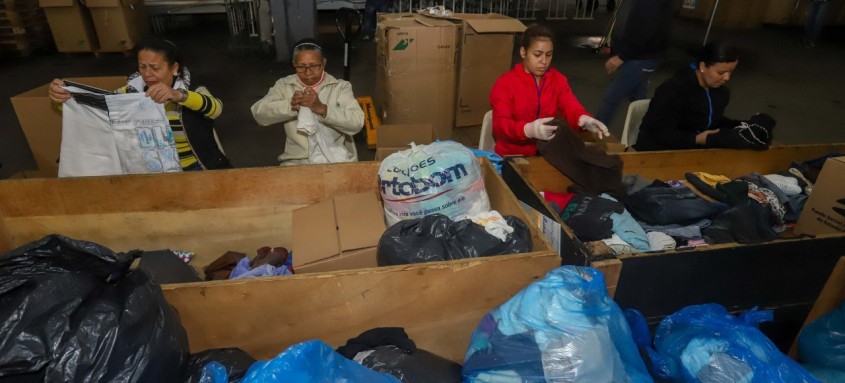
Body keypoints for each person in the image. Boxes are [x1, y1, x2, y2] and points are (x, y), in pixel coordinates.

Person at [48, 37, 230, 171]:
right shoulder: (131, 93)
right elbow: (100, 113)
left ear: (174, 68)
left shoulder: (191, 88)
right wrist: (63, 99)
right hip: (147, 169)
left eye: (155, 68)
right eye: (142, 67)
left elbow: (216, 109)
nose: (147, 74)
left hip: (194, 166)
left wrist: (179, 95)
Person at [489, 24, 608, 157]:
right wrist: (527, 130)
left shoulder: (557, 80)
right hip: (512, 156)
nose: (544, 61)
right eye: (537, 54)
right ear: (523, 52)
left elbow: (570, 106)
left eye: (549, 55)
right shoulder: (505, 84)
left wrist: (583, 119)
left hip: (547, 153)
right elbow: (500, 125)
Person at [251, 39, 364, 165]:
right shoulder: (284, 85)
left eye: (314, 66)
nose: (308, 72)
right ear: (294, 64)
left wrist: (323, 109)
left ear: (324, 63)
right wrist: (291, 106)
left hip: (335, 158)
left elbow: (357, 123)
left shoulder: (340, 87)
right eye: (301, 67)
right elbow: (258, 113)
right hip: (297, 160)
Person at [633, 41, 740, 151]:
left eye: (731, 72)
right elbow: (658, 131)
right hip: (657, 151)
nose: (727, 78)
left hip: (691, 150)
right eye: (721, 73)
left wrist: (743, 125)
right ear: (703, 66)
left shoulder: (721, 92)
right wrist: (696, 139)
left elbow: (710, 119)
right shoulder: (674, 89)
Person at [594, 0, 672, 126]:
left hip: (639, 58)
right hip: (642, 57)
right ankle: (639, 136)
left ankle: (594, 134)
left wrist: (621, 57)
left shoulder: (650, 3)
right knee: (638, 101)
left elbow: (645, 31)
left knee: (612, 97)